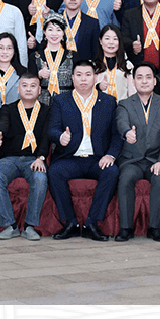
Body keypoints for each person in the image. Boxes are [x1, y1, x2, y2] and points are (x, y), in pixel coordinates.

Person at [44, 63, 120, 240]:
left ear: (95, 78)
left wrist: (110, 155)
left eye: (87, 74)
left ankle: (92, 223)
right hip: (70, 158)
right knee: (54, 172)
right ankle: (70, 222)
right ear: (73, 78)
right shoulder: (61, 100)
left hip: (97, 158)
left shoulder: (108, 101)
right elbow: (52, 129)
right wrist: (60, 137)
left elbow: (116, 135)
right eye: (78, 75)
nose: (83, 78)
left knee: (111, 172)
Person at [113, 61, 160, 241]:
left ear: (155, 81)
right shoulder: (124, 104)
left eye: (148, 77)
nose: (144, 81)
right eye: (139, 77)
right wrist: (127, 132)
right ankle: (126, 228)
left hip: (155, 159)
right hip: (132, 159)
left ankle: (155, 228)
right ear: (133, 81)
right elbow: (121, 121)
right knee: (125, 178)